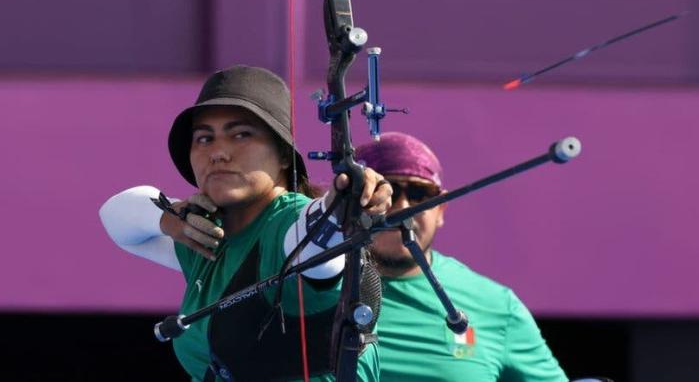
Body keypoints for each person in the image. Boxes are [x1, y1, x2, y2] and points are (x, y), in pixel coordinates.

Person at [100, 65, 390, 382]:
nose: (219, 152)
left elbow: (316, 239)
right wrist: (171, 220)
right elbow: (116, 216)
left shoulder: (287, 223)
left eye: (241, 135)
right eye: (204, 138)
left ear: (282, 155)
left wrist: (343, 203)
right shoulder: (207, 236)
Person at [354, 132, 569, 382]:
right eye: (387, 192)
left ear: (441, 210)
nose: (403, 207)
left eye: (419, 193)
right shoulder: (313, 284)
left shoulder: (498, 305)